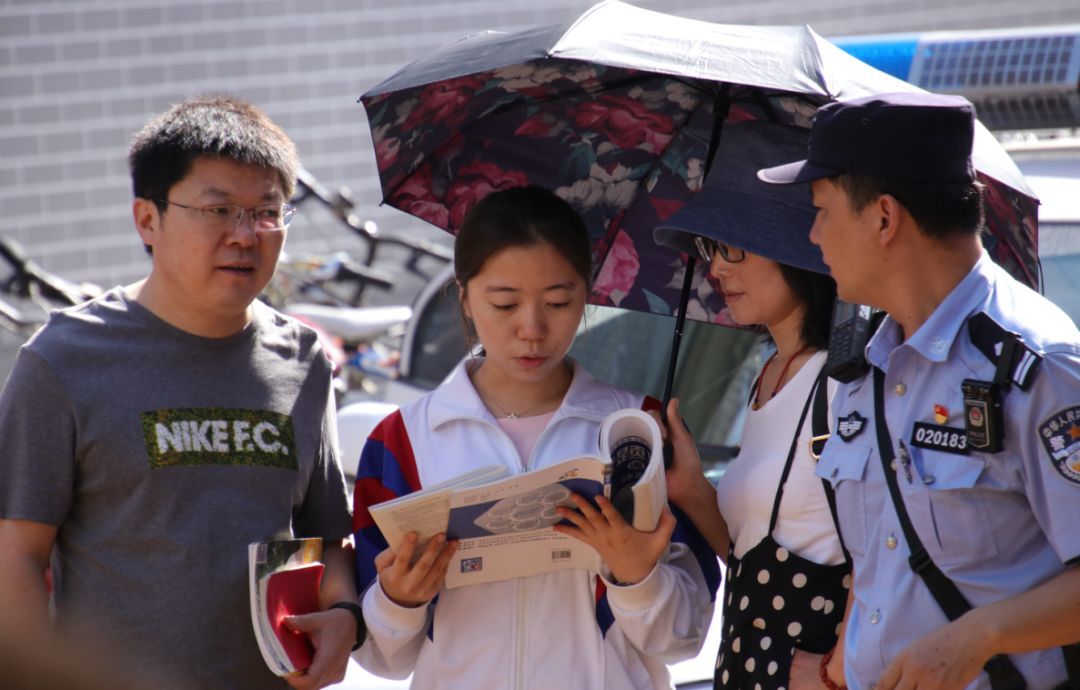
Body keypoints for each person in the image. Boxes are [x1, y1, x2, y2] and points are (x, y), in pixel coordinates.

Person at [0, 95, 360, 690]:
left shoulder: (303, 360)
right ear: (148, 219)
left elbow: (325, 538)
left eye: (267, 211)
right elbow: (17, 555)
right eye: (218, 210)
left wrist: (344, 616)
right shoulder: (63, 359)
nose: (246, 235)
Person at [758, 92, 1080, 690]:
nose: (812, 235)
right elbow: (885, 558)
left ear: (883, 217)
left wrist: (980, 636)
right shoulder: (862, 367)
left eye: (822, 210)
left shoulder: (1035, 363)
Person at [351, 184, 719, 689]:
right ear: (464, 297)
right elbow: (380, 660)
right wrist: (399, 600)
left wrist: (637, 576)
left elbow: (684, 641)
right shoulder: (401, 441)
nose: (532, 328)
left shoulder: (638, 430)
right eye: (504, 304)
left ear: (586, 293)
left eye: (559, 301)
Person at [653, 121, 850, 690]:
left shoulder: (845, 383)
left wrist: (839, 669)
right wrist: (691, 487)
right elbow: (753, 556)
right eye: (710, 248)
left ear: (793, 243)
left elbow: (883, 555)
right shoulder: (766, 376)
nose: (715, 267)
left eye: (731, 245)